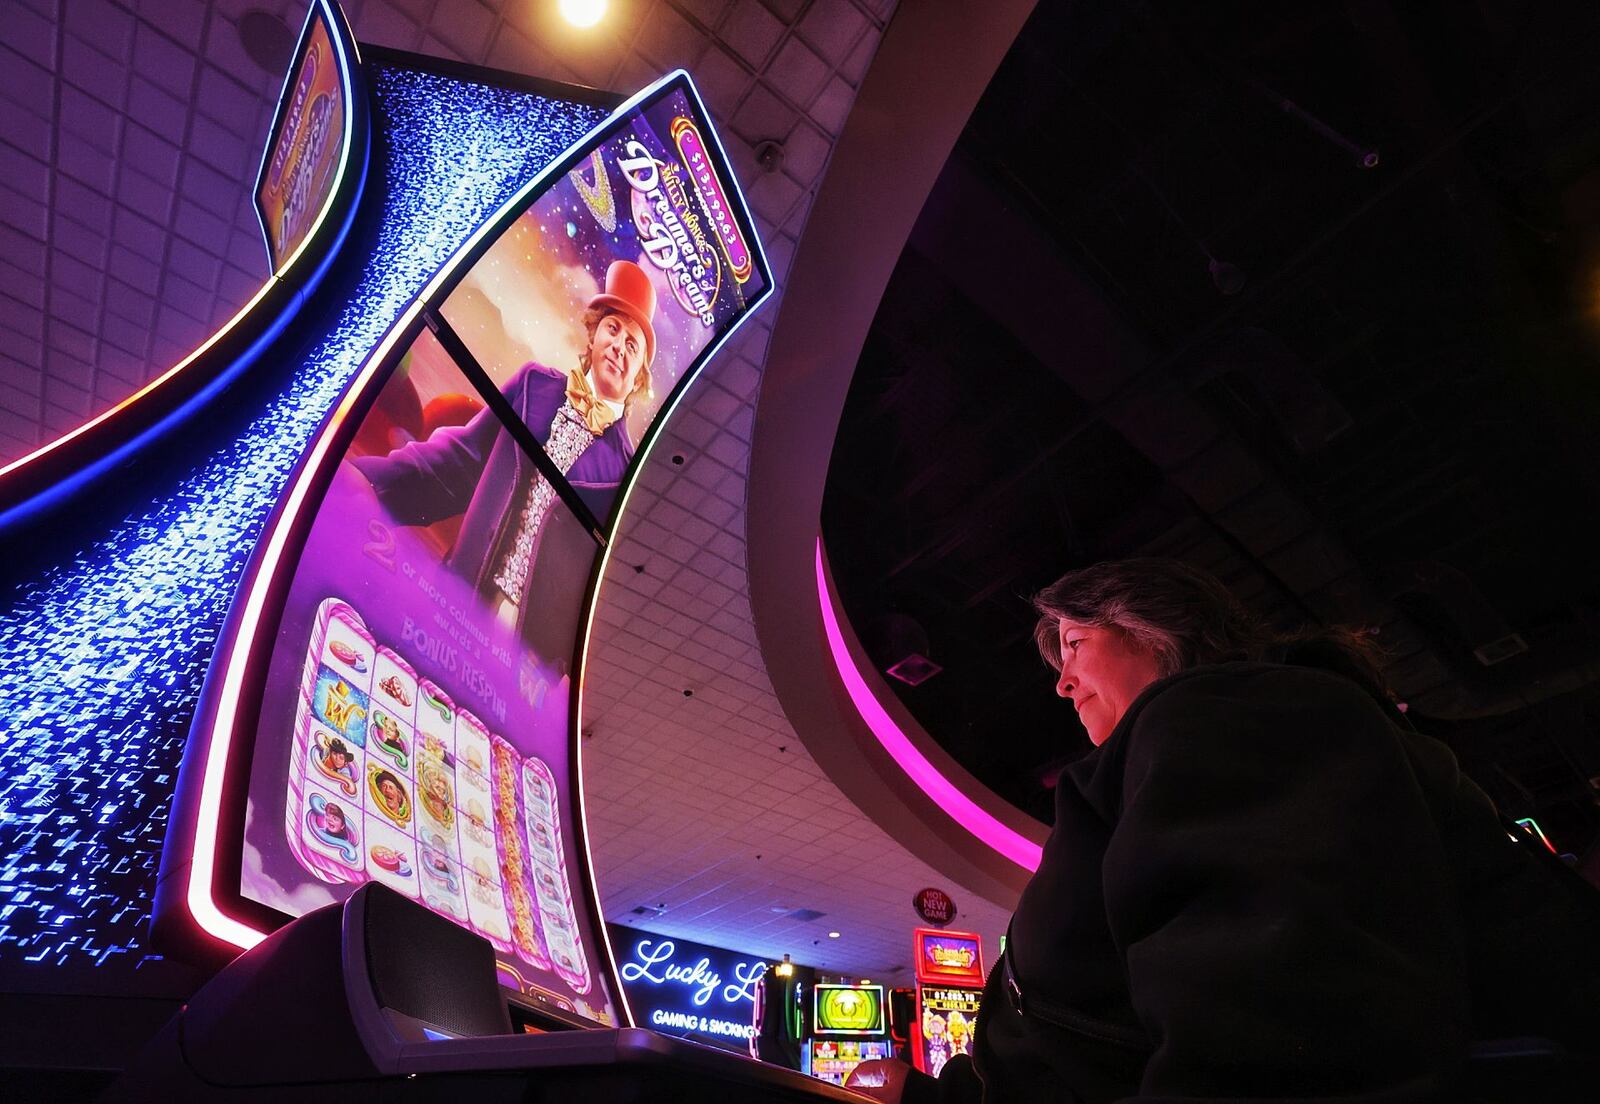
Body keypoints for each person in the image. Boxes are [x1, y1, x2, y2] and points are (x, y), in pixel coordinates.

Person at [849, 558, 1600, 1103]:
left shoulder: (1236, 711)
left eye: (1074, 643)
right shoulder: (1231, 734)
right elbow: (1092, 1044)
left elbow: (1286, 1045)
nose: (1061, 681)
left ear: (1150, 624)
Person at [352, 260, 657, 670]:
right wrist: (370, 480)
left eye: (632, 344)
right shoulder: (534, 385)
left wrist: (561, 672)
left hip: (523, 664)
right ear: (594, 332)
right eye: (613, 329)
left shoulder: (624, 475)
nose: (619, 346)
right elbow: (459, 461)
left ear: (638, 377)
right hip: (456, 603)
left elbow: (592, 594)